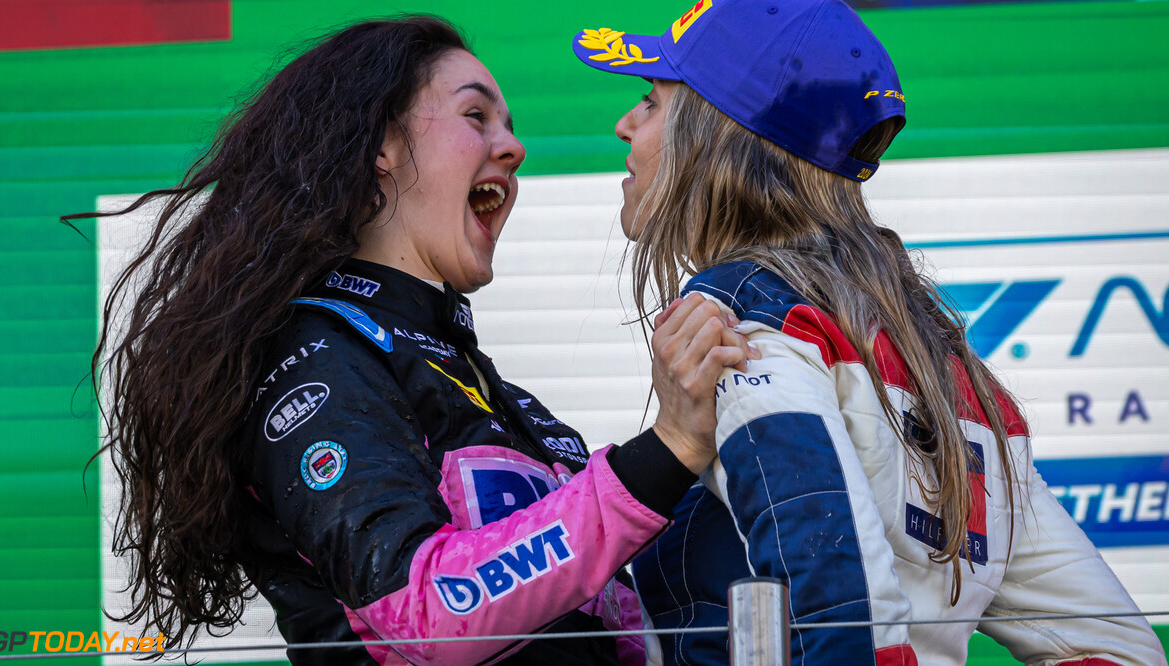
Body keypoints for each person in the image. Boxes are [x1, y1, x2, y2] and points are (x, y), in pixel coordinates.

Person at [75, 16, 755, 666]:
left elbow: (608, 616)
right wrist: (667, 450)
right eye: (475, 116)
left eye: (509, 127)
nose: (514, 148)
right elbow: (427, 613)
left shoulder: (491, 390)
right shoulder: (316, 358)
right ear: (382, 148)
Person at [573, 1, 1167, 664]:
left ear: (714, 134)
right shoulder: (944, 363)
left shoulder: (744, 319)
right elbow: (1117, 646)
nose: (624, 124)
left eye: (652, 101)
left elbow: (844, 612)